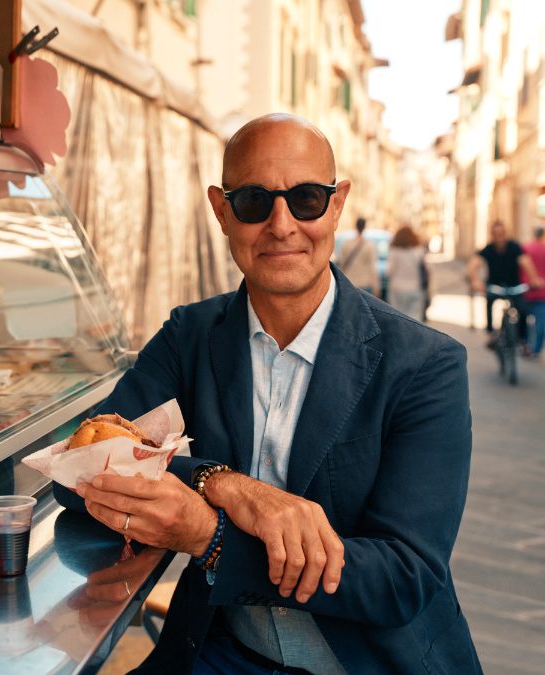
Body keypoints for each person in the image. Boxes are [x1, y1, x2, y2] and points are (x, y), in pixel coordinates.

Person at [55, 113, 480, 674]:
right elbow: (82, 466)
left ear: (337, 203)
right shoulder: (190, 336)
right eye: (255, 201)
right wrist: (226, 484)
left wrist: (210, 534)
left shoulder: (425, 364)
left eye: (306, 198)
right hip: (221, 650)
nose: (282, 225)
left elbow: (400, 580)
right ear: (221, 209)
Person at [467, 220, 538, 347]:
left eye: (501, 233)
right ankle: (490, 334)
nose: (499, 236)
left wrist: (534, 279)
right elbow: (473, 265)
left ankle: (522, 339)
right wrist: (475, 281)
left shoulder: (515, 247)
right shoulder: (488, 249)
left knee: (522, 310)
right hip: (495, 287)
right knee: (489, 302)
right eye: (496, 234)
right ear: (492, 234)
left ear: (505, 233)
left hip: (515, 287)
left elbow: (525, 263)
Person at [386, 224, 427, 321]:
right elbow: (427, 271)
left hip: (397, 289)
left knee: (398, 319)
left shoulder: (394, 251)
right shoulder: (418, 251)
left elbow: (389, 271)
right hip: (414, 289)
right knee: (415, 320)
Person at [337, 217, 379, 296]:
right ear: (364, 227)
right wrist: (376, 287)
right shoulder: (369, 245)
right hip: (365, 285)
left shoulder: (346, 244)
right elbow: (372, 268)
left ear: (356, 226)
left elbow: (341, 264)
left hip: (349, 284)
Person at [522, 226, 545, 357]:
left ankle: (525, 343)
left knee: (523, 318)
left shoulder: (526, 248)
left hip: (526, 290)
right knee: (541, 323)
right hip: (542, 292)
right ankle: (536, 349)